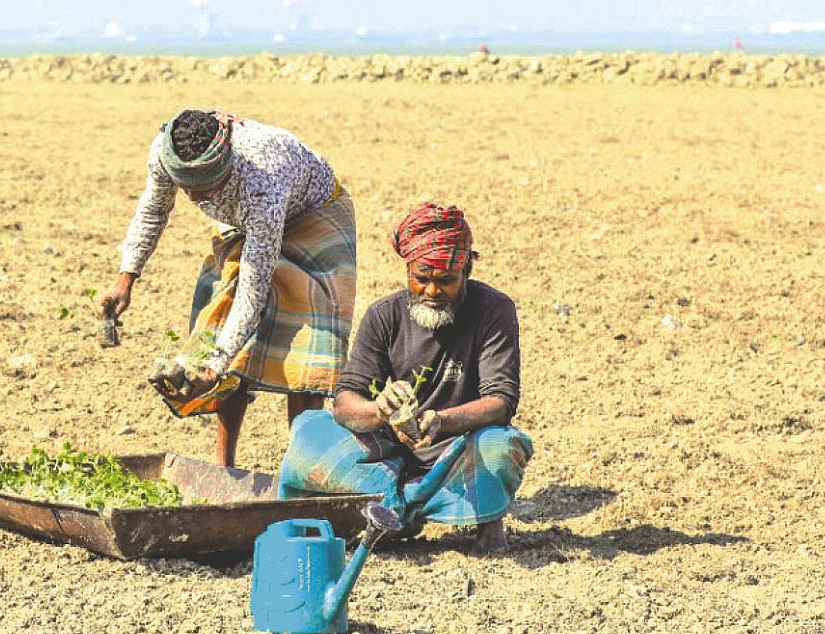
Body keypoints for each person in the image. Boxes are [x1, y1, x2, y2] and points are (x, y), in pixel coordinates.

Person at [99, 109, 357, 467]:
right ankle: (224, 466)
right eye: (187, 187)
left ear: (227, 166)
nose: (196, 197)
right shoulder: (164, 149)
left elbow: (254, 290)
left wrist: (217, 364)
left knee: (307, 338)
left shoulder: (262, 181)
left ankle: (300, 467)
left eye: (206, 188)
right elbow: (153, 210)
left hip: (313, 213)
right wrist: (126, 277)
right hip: (242, 219)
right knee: (219, 325)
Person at [278, 203, 532, 556]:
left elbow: (501, 400)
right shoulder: (384, 315)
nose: (432, 291)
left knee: (501, 446)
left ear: (467, 270)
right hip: (388, 452)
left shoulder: (493, 310)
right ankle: (394, 508)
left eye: (445, 280)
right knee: (309, 429)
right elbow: (345, 399)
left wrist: (443, 421)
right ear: (407, 270)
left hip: (456, 450)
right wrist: (378, 411)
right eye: (421, 278)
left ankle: (485, 521)